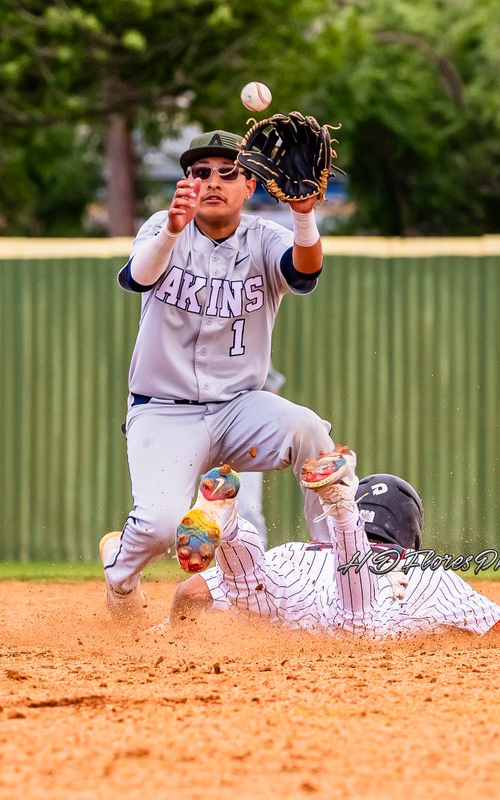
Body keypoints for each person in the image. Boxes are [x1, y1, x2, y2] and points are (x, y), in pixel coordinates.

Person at [101, 129, 339, 621]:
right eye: (199, 172)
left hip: (239, 407)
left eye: (227, 172)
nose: (212, 181)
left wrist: (303, 214)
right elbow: (137, 278)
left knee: (309, 429)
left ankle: (337, 558)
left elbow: (304, 272)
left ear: (249, 185)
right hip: (163, 410)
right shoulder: (161, 227)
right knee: (161, 527)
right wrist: (170, 228)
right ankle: (120, 580)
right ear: (186, 181)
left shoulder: (266, 237)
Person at [159, 446, 500, 639]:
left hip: (301, 598)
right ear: (409, 527)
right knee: (360, 620)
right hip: (359, 613)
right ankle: (339, 507)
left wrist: (168, 637)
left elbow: (192, 592)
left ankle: (232, 527)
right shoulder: (427, 572)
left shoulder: (300, 551)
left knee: (249, 590)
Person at [236, 364, 287, 549]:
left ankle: (258, 567)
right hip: (200, 427)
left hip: (245, 432)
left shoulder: (249, 339)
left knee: (248, 509)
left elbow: (271, 386)